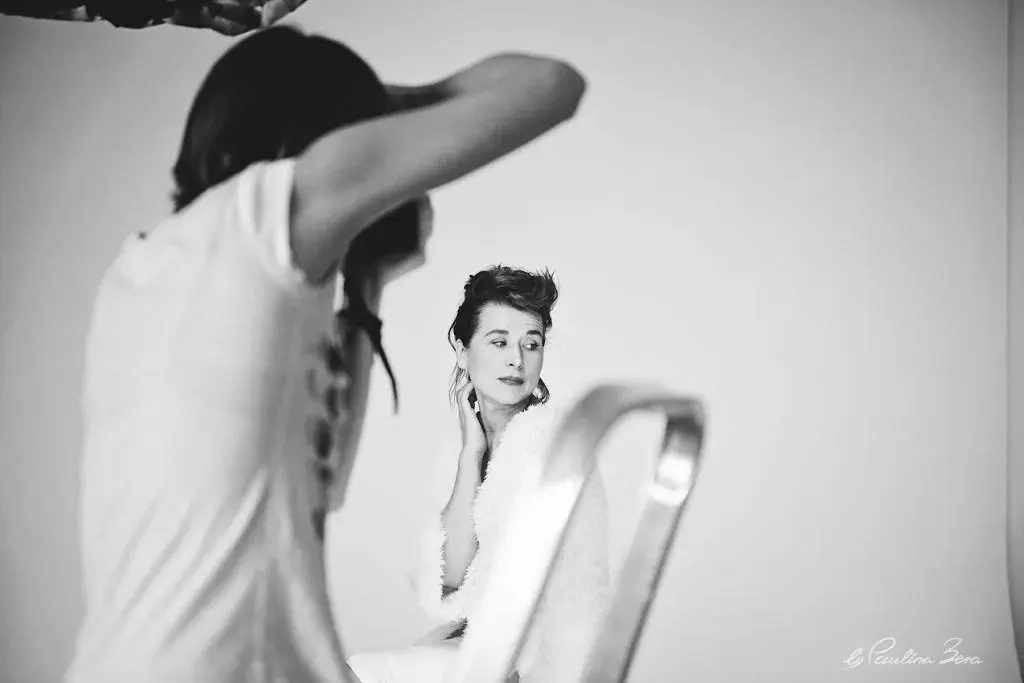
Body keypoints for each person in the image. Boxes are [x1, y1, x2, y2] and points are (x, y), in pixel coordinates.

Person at [64, 25, 587, 683]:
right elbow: (548, 84)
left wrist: (369, 277)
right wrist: (389, 109)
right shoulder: (257, 216)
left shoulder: (147, 274)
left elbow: (321, 482)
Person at [347, 266, 611, 683]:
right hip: (483, 650)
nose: (517, 359)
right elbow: (452, 579)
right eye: (499, 341)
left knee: (351, 673)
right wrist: (471, 453)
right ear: (462, 350)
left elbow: (559, 603)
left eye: (532, 344)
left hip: (533, 662)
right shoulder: (463, 452)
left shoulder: (550, 444)